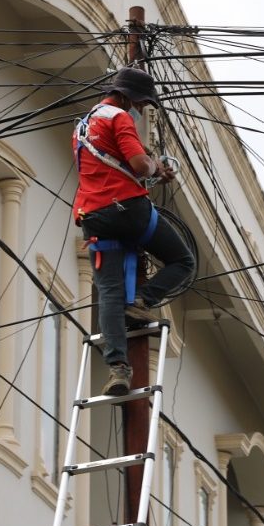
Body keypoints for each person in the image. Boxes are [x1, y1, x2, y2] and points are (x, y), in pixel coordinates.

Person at [73, 67, 195, 396]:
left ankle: (118, 370)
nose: (139, 110)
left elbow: (111, 163)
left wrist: (149, 165)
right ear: (128, 96)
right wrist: (156, 167)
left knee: (110, 294)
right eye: (140, 104)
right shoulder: (119, 117)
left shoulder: (83, 125)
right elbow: (140, 166)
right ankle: (142, 300)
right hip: (127, 210)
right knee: (183, 260)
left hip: (93, 216)